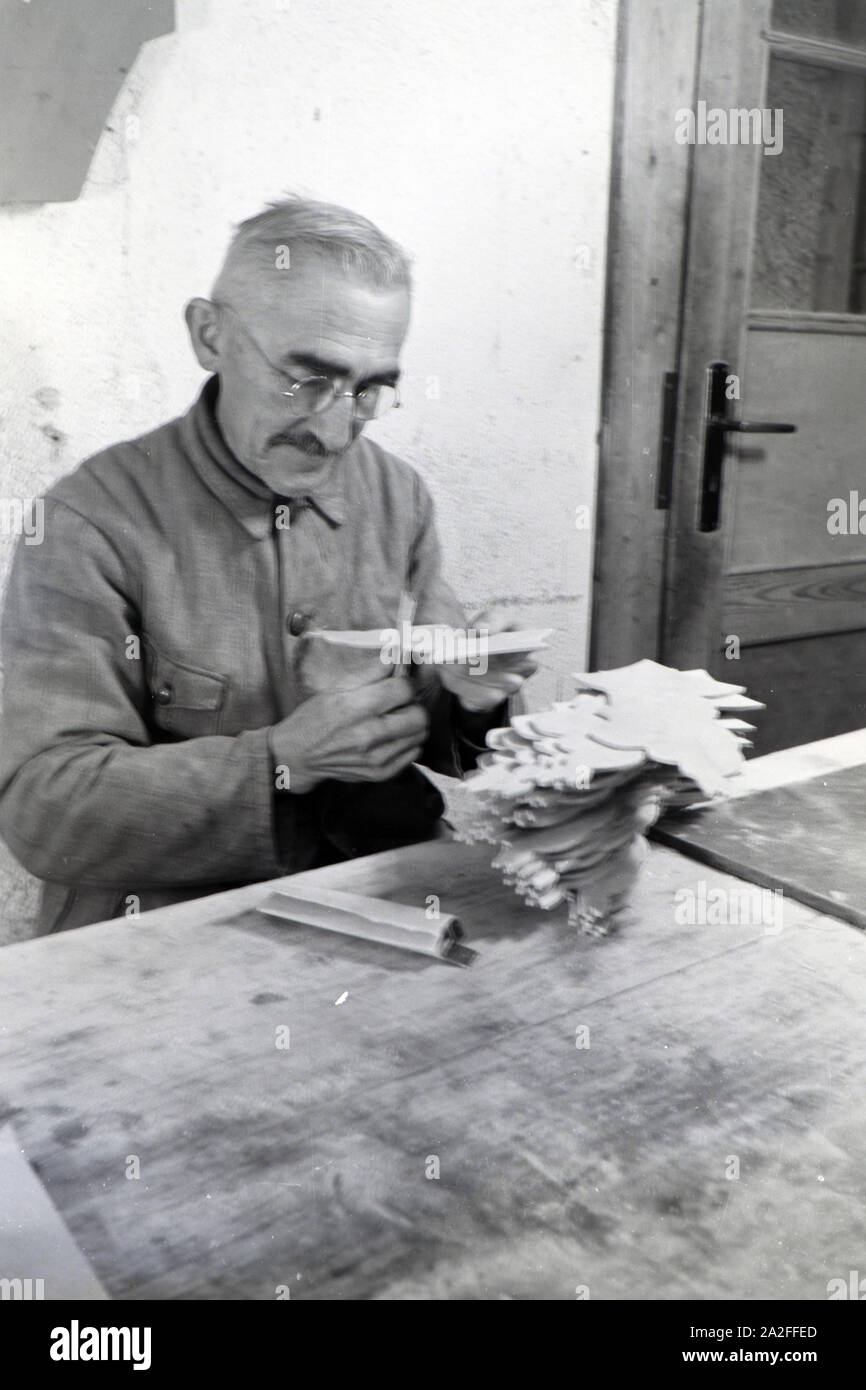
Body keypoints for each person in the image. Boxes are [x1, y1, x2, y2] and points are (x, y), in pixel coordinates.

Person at [0, 197, 537, 933]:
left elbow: (439, 719)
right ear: (209, 335)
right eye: (305, 378)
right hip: (171, 924)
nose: (336, 426)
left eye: (370, 387)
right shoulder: (86, 525)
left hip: (382, 893)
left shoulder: (397, 495)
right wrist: (279, 764)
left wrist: (473, 695)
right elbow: (45, 812)